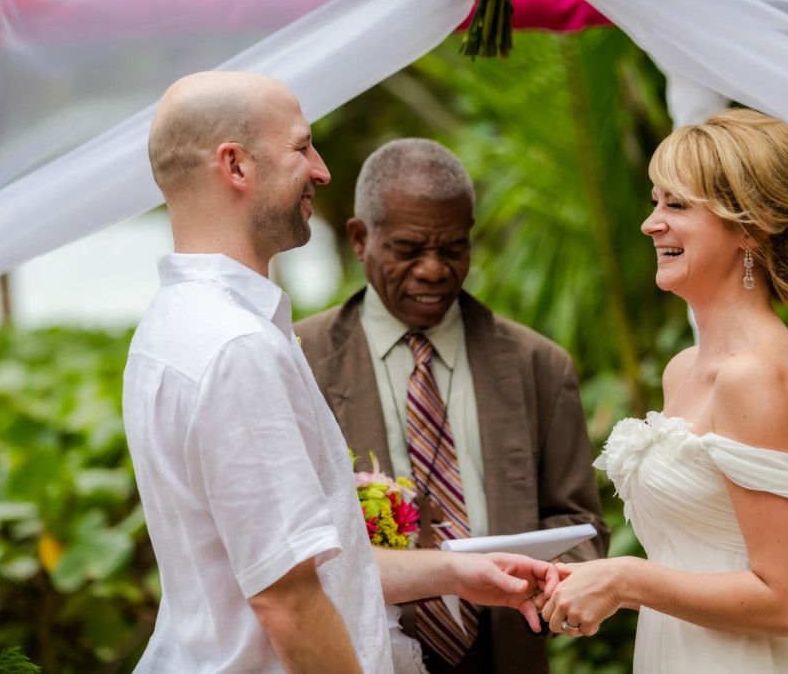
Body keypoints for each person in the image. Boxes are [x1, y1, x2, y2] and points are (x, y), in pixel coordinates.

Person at [123, 71, 557, 674]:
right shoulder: (238, 347)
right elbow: (287, 599)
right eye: (302, 147)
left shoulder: (170, 326)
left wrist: (456, 571)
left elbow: (301, 567)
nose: (322, 171)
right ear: (236, 166)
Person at [536, 108, 788, 672]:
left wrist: (626, 579)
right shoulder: (683, 369)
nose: (650, 223)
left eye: (676, 205)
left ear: (751, 227)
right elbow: (695, 551)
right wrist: (588, 577)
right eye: (655, 200)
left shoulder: (757, 375)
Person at [293, 138, 609, 674]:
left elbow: (579, 523)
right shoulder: (298, 361)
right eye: (410, 249)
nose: (434, 270)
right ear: (359, 239)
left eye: (454, 248)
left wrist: (545, 583)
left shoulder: (540, 365)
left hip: (506, 651)